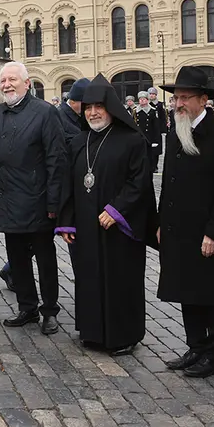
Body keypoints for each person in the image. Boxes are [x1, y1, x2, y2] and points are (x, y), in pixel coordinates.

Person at [57, 74, 156, 355]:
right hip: (87, 227)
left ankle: (124, 335)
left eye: (98, 106)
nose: (92, 112)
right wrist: (67, 222)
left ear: (110, 107)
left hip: (119, 229)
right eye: (88, 107)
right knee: (88, 278)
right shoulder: (79, 141)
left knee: (119, 280)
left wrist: (116, 210)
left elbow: (139, 182)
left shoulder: (132, 140)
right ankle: (93, 331)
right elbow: (70, 183)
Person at [157, 66, 214, 378]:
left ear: (203, 100)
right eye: (175, 98)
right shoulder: (176, 129)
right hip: (177, 229)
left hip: (207, 231)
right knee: (185, 290)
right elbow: (167, 181)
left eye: (184, 98)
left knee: (211, 295)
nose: (178, 103)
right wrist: (160, 220)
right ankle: (195, 347)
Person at [0, 62, 65, 333]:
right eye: (3, 81)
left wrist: (54, 202)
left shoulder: (45, 112)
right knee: (17, 258)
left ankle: (50, 311)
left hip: (38, 201)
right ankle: (27, 307)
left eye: (13, 80)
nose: (7, 85)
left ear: (27, 83)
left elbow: (56, 160)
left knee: (45, 259)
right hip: (6, 200)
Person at [134, 91, 162, 172]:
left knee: (150, 155)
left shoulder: (152, 111)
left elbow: (156, 127)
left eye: (144, 99)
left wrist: (156, 140)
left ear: (147, 100)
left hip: (149, 136)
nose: (142, 101)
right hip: (139, 137)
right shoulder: (135, 111)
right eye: (140, 99)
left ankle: (152, 167)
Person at [58, 78, 90, 146]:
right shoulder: (58, 118)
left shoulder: (79, 113)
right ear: (72, 102)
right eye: (86, 104)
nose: (89, 108)